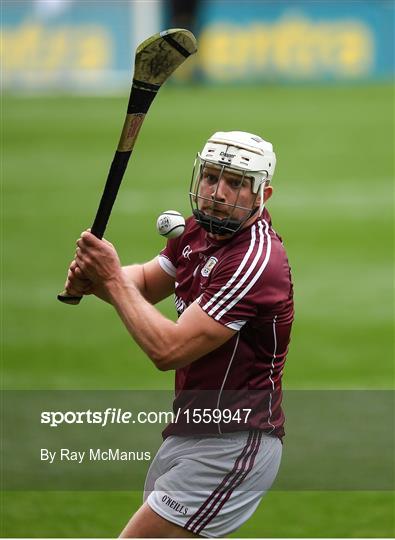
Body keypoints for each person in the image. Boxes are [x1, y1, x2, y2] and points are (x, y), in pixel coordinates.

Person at [65, 131, 294, 538]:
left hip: (232, 442)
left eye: (236, 183)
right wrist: (97, 279)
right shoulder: (197, 232)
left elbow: (168, 349)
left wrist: (111, 279)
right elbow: (148, 284)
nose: (217, 192)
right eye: (210, 177)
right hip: (190, 431)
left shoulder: (254, 260)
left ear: (262, 194)